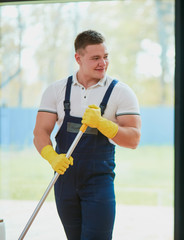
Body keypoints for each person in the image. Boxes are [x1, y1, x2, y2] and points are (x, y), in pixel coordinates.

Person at [33, 30, 141, 239]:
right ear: (78, 58)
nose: (103, 63)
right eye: (95, 58)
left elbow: (134, 139)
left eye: (105, 57)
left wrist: (103, 123)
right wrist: (51, 156)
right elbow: (40, 132)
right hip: (64, 180)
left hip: (98, 182)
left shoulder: (121, 92)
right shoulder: (56, 90)